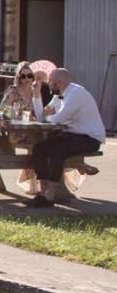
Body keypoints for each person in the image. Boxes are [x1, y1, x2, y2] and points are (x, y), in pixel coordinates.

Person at [29, 68, 106, 207]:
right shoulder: (58, 95)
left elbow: (58, 119)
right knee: (39, 148)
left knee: (57, 151)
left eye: (50, 81)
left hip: (90, 137)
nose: (48, 84)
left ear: (58, 82)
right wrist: (36, 94)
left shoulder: (76, 94)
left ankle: (50, 195)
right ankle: (43, 192)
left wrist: (49, 116)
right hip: (72, 134)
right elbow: (41, 117)